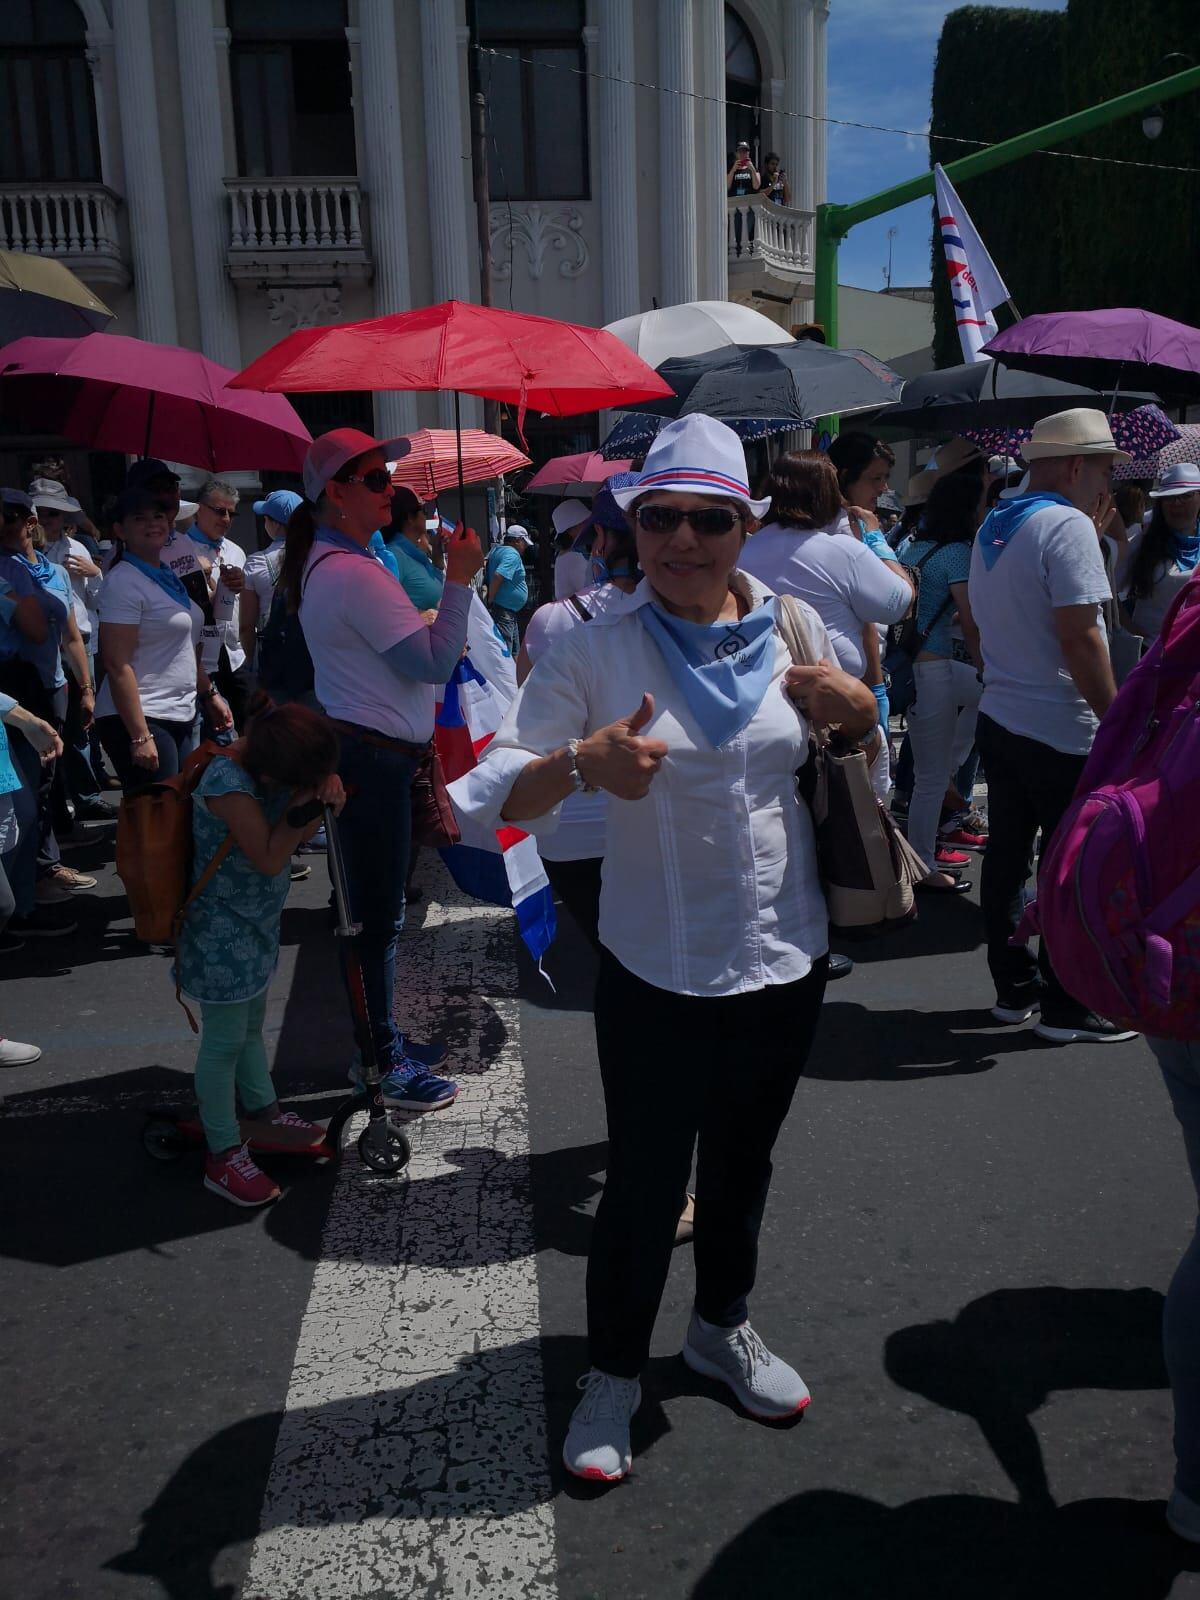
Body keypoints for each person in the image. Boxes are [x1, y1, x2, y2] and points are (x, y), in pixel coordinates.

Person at [450, 415, 878, 1484]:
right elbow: (489, 795)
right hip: (657, 962)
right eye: (660, 519)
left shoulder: (791, 625)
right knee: (646, 1181)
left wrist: (862, 709)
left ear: (745, 524)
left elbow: (850, 737)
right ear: (632, 527)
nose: (682, 541)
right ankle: (610, 1372)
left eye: (707, 519)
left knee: (745, 1159)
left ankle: (719, 1325)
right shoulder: (592, 645)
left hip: (786, 952)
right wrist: (581, 765)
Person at [280, 426, 484, 1110]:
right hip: (372, 758)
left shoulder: (340, 565)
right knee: (373, 919)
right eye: (373, 479)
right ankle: (380, 1061)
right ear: (336, 493)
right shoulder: (349, 571)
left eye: (385, 476)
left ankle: (381, 1045)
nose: (389, 489)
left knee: (372, 914)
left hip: (372, 755)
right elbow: (430, 659)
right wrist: (458, 584)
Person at [968, 408, 1139, 1045]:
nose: (1107, 484)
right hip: (1060, 726)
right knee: (1072, 869)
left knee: (1009, 862)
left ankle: (1015, 990)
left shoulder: (998, 522)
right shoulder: (1066, 526)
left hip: (1003, 715)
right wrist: (1117, 717)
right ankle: (1069, 1003)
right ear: (1073, 465)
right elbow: (1080, 636)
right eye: (1102, 468)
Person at [177, 700, 345, 1207]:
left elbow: (294, 828)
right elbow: (274, 857)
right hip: (219, 932)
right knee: (225, 1039)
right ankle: (223, 1152)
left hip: (253, 925)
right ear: (274, 770)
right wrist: (311, 808)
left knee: (250, 1027)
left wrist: (322, 798)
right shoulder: (227, 783)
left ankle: (265, 1112)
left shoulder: (271, 763)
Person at [95, 489, 234, 788]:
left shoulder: (167, 575)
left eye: (159, 516)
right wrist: (139, 735)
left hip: (179, 711)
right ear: (120, 529)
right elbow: (116, 663)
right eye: (139, 518)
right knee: (158, 822)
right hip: (144, 715)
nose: (153, 524)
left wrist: (209, 694)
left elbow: (182, 648)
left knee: (176, 817)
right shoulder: (123, 581)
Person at [0, 490, 95, 903]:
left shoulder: (54, 572)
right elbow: (37, 629)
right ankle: (29, 881)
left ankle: (43, 866)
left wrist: (86, 688)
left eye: (10, 517)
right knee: (23, 789)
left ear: (29, 521)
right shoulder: (3, 571)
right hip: (15, 690)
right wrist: (22, 584)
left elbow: (70, 636)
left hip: (54, 686)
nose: (3, 525)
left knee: (47, 783)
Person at [896, 465, 988, 892]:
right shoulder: (958, 554)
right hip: (933, 670)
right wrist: (988, 661)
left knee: (985, 696)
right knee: (930, 778)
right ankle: (922, 865)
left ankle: (951, 775)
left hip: (918, 665)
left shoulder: (916, 548)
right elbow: (971, 623)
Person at [30, 477, 111, 822]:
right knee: (50, 722)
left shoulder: (75, 550)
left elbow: (99, 600)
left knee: (82, 720)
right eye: (41, 513)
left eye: (53, 514)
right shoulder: (25, 552)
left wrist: (94, 572)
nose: (47, 520)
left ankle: (86, 792)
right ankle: (62, 796)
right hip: (44, 644)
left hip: (80, 640)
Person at [162, 478, 249, 733]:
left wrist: (240, 583)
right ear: (199, 508)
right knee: (213, 731)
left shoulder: (236, 551)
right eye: (220, 511)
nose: (226, 519)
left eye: (231, 513)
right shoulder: (179, 548)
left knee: (245, 726)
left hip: (233, 652)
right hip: (199, 653)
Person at [1122, 463, 1200, 646]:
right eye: (1169, 498)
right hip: (1152, 653)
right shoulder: (1143, 540)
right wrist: (1131, 629)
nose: (1177, 504)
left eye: (1185, 496)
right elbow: (1107, 589)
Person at [240, 488, 303, 674]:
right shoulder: (316, 555)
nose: (264, 522)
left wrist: (251, 662)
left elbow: (246, 626)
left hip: (276, 661)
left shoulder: (256, 563)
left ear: (276, 526)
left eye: (266, 518)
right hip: (313, 660)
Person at [385, 487, 446, 613]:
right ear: (410, 518)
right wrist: (419, 615)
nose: (426, 515)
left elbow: (436, 580)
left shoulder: (415, 555)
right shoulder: (394, 556)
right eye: (423, 510)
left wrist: (437, 549)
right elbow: (385, 607)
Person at [484, 525, 532, 655]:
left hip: (508, 612)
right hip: (504, 612)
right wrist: (491, 598)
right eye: (524, 542)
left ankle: (515, 675)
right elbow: (499, 575)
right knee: (505, 652)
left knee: (514, 651)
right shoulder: (512, 554)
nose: (525, 546)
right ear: (517, 541)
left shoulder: (496, 550)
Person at [552, 500, 593, 600]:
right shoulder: (572, 557)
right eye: (585, 522)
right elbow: (589, 589)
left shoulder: (566, 555)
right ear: (572, 529)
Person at [727, 139, 760, 257]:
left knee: (746, 230)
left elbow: (756, 186)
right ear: (736, 154)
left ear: (749, 153)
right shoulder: (732, 169)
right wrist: (732, 170)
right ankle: (737, 252)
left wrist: (751, 169)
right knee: (736, 231)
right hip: (735, 208)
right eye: (740, 152)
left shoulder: (753, 169)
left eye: (745, 152)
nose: (743, 154)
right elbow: (727, 186)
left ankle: (745, 250)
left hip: (749, 208)